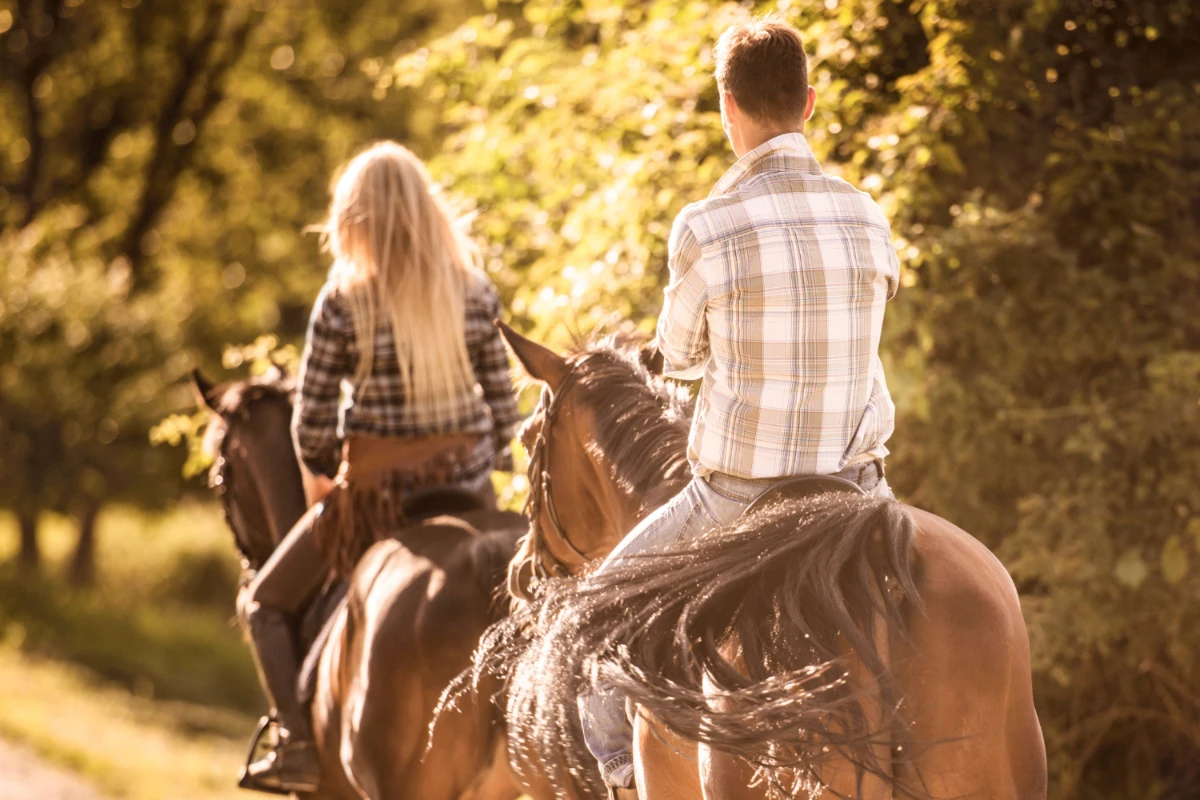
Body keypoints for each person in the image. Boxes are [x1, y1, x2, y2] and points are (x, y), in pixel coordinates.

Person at [577, 15, 900, 795]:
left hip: (739, 501)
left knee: (591, 629)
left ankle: (624, 778)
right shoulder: (866, 213)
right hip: (859, 490)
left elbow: (680, 359)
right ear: (811, 102)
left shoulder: (706, 226)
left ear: (728, 106)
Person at [239, 141, 521, 793]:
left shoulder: (345, 300)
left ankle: (295, 744)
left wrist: (338, 457)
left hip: (376, 505)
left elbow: (308, 428)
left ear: (353, 220)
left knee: (265, 605)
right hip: (473, 493)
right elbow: (507, 416)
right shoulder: (476, 293)